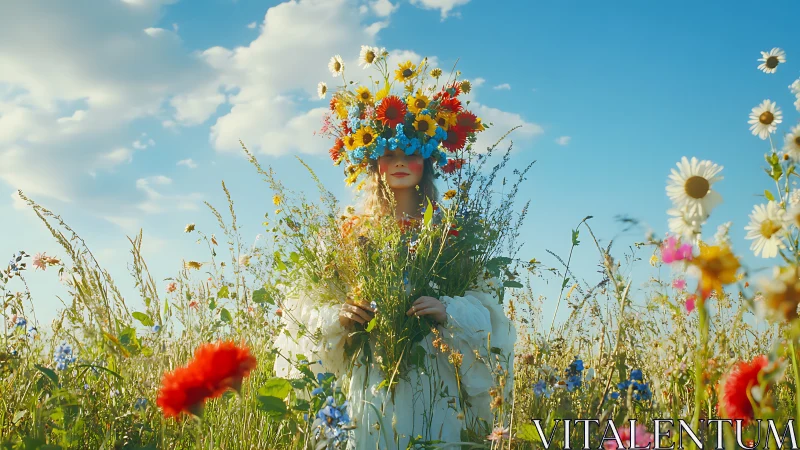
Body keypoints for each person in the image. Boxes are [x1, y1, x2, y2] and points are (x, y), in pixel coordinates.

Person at [273, 148, 517, 449]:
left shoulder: (449, 232)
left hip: (432, 366)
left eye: (411, 153)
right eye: (389, 154)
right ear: (374, 163)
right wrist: (340, 315)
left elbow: (484, 303)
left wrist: (448, 309)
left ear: (426, 161)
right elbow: (310, 300)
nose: (399, 162)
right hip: (371, 367)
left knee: (432, 433)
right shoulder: (351, 232)